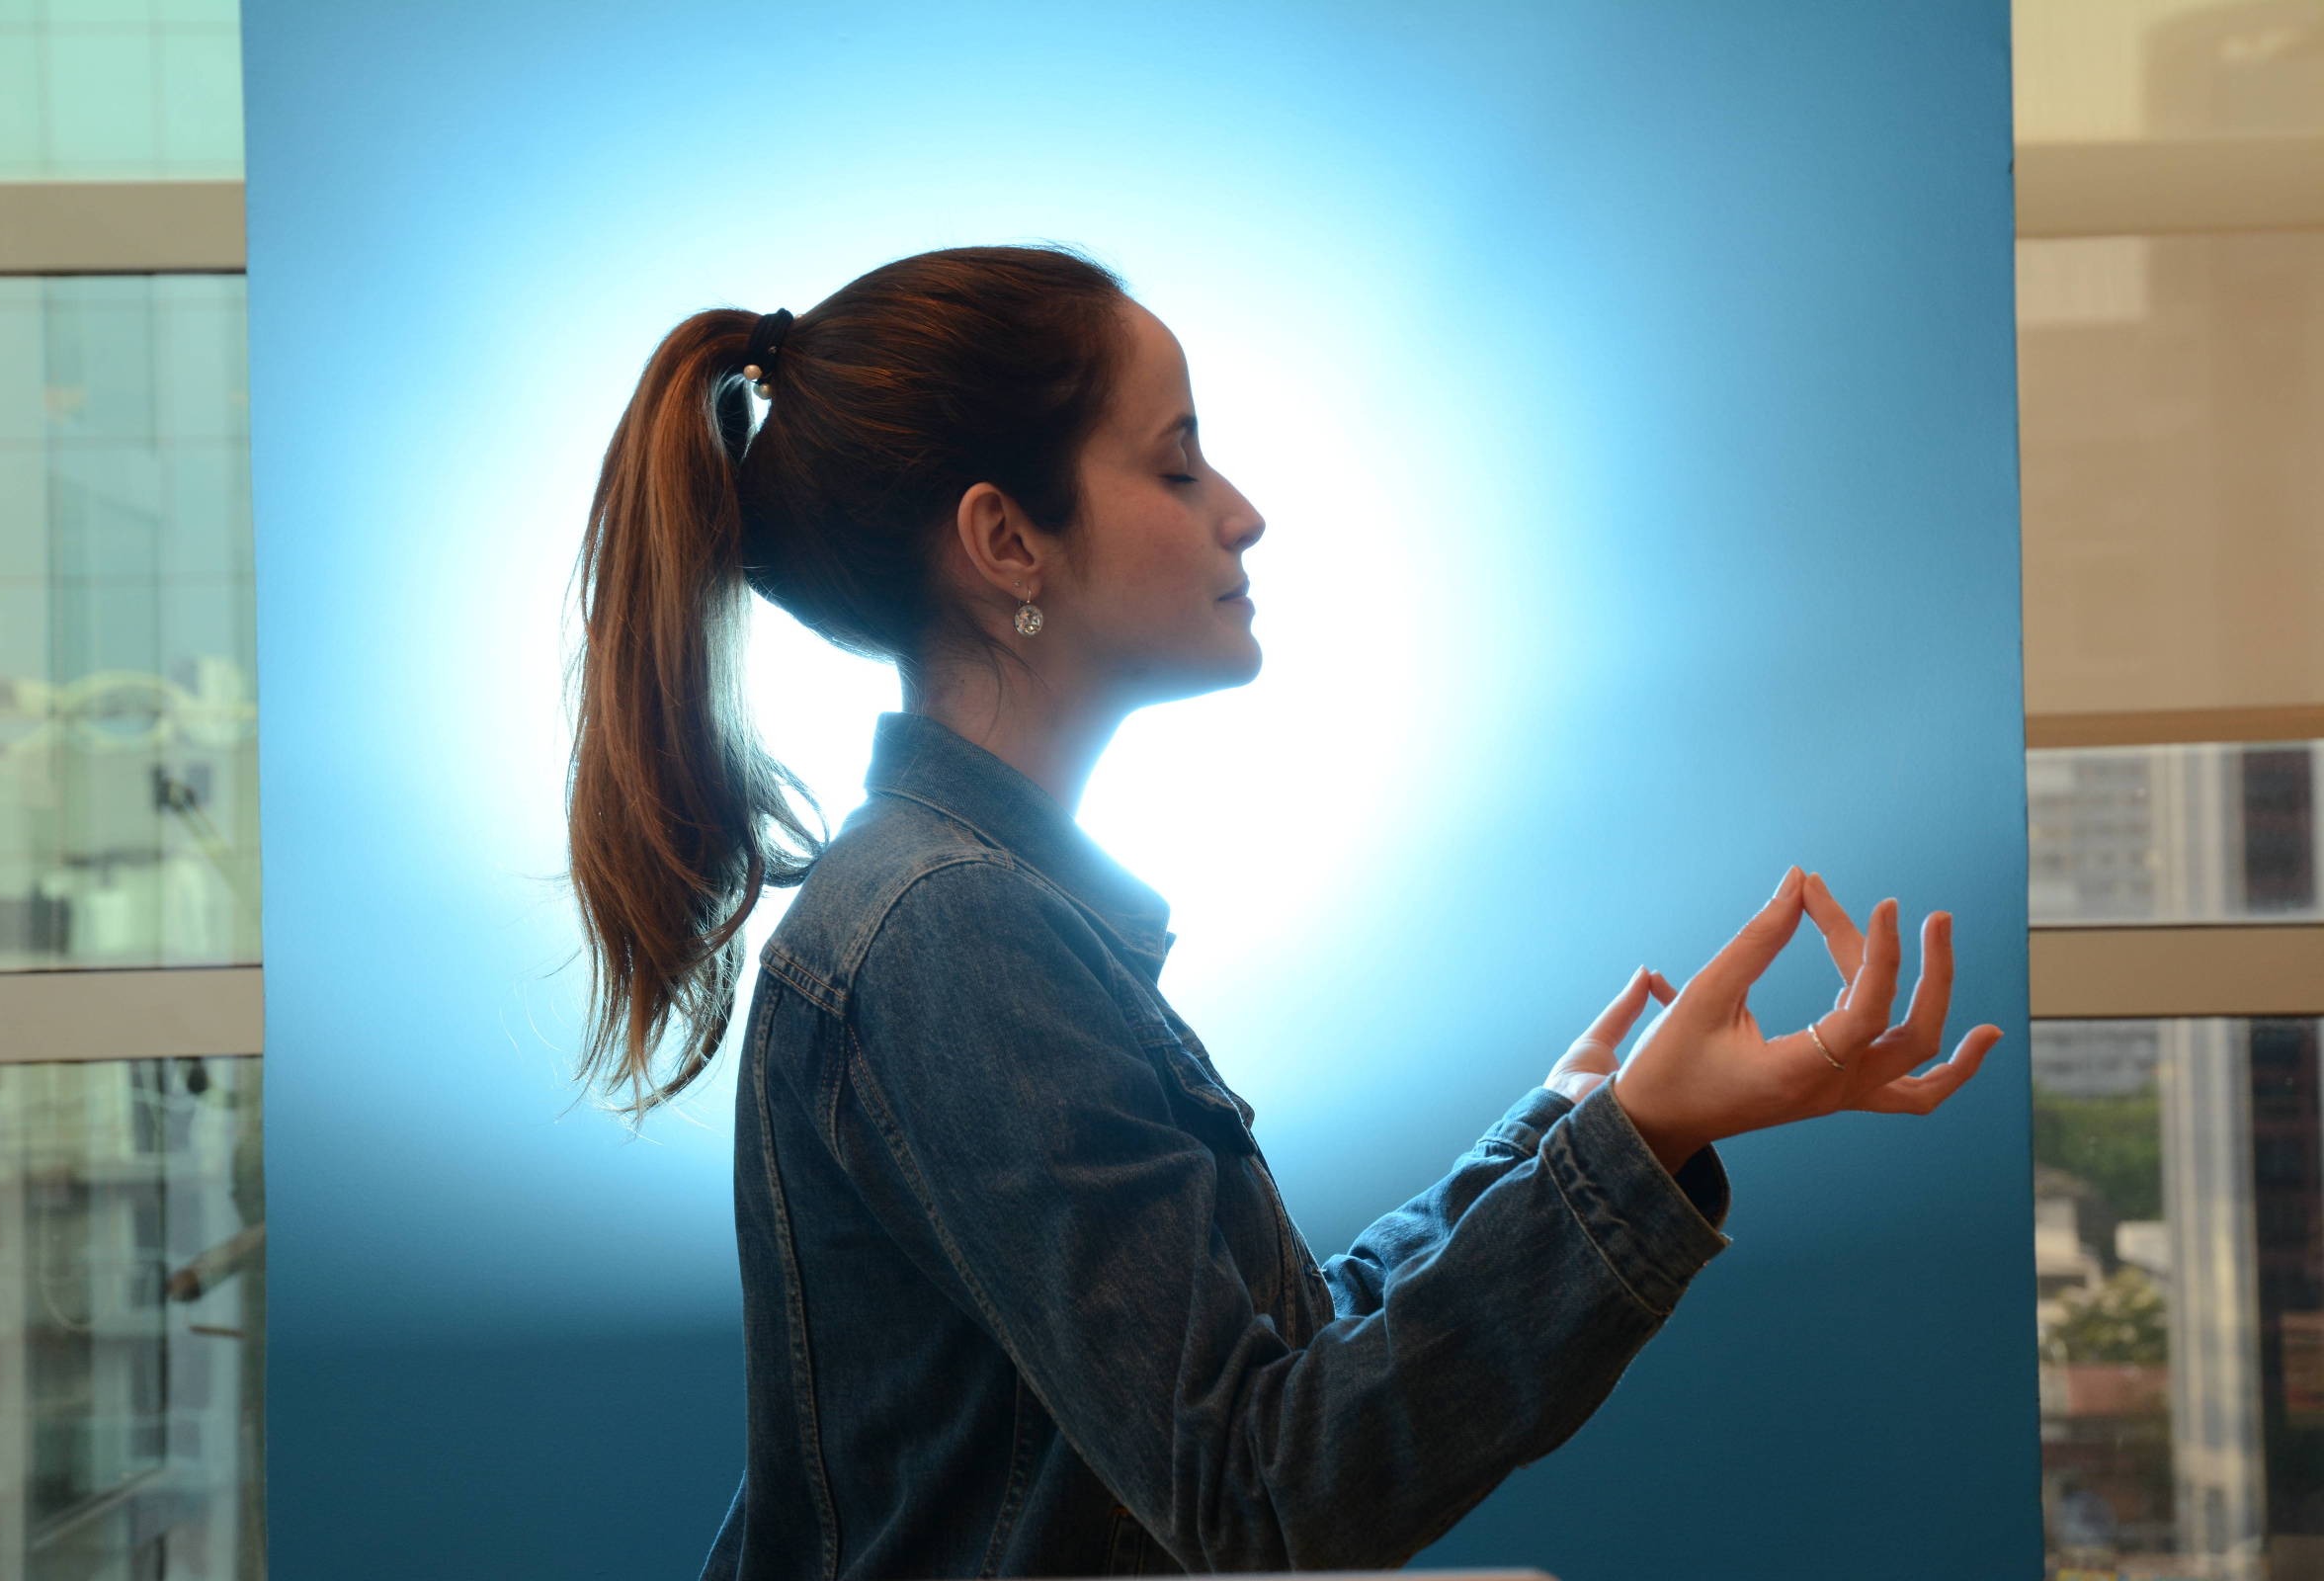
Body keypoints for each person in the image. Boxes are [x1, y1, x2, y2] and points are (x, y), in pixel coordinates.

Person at [560, 242, 2005, 1578]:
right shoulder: (952, 939)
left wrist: (1574, 1131)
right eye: (1177, 466)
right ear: (1006, 542)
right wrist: (1639, 1148)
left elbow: (1258, 1376)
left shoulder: (974, 915)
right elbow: (1264, 1494)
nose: (1243, 512)